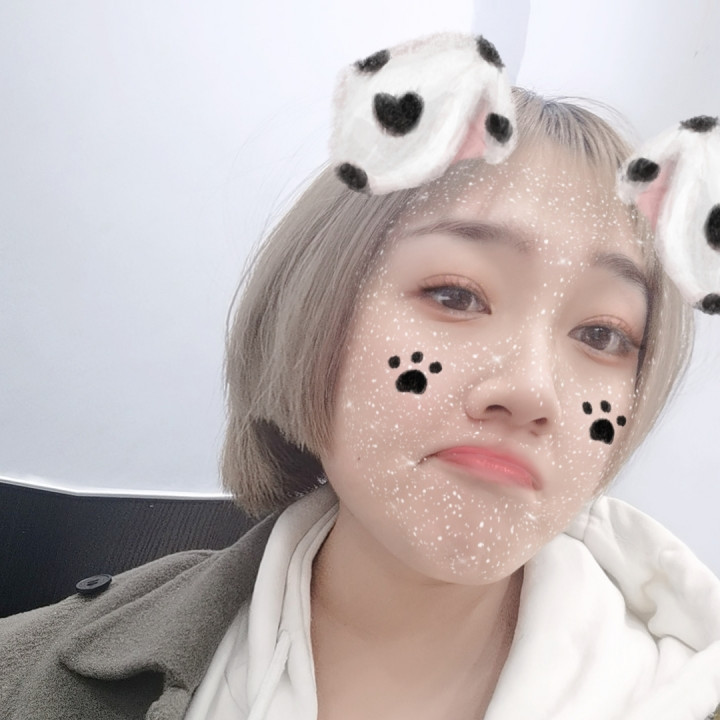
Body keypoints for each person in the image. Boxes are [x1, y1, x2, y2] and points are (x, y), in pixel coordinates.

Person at [2, 35, 720, 720]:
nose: (533, 391)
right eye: (455, 295)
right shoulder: (28, 674)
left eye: (602, 335)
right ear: (315, 312)